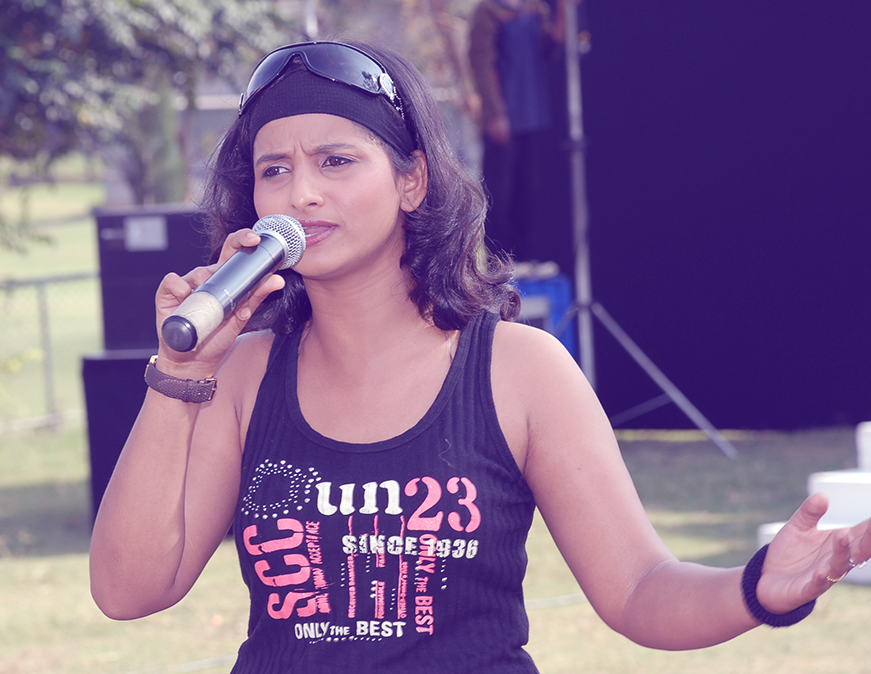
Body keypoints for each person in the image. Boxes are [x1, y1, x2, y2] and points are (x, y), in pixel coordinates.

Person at [89, 40, 871, 673]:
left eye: (336, 161)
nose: (302, 194)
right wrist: (180, 375)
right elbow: (128, 591)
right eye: (275, 170)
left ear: (412, 181)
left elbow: (638, 590)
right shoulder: (237, 375)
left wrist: (758, 588)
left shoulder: (521, 371)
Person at [468, 0, 565, 267]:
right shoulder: (487, 11)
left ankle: (526, 259)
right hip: (503, 117)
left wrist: (563, 12)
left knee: (528, 190)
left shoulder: (535, 8)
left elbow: (549, 50)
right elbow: (480, 62)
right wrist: (494, 112)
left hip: (530, 115)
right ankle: (498, 263)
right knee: (500, 193)